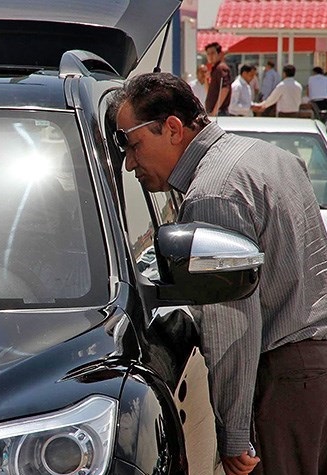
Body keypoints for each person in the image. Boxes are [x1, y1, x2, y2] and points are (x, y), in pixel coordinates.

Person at [108, 72, 327, 475]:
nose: (129, 163)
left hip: (288, 381)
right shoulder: (269, 156)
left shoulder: (213, 194)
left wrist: (234, 433)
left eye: (133, 144)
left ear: (173, 128)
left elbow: (232, 323)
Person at [204, 42, 232, 116]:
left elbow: (225, 89)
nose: (210, 56)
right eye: (208, 54)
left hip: (219, 112)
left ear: (219, 54)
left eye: (213, 53)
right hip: (214, 111)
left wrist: (215, 111)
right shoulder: (214, 69)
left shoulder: (221, 68)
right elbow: (209, 92)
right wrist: (206, 79)